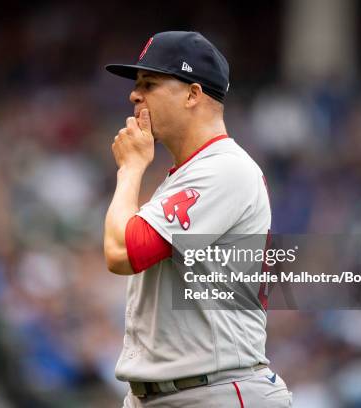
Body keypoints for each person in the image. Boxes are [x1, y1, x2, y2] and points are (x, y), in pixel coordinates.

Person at [103, 31, 292, 407]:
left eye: (150, 83)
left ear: (192, 94)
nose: (134, 95)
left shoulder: (224, 169)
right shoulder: (190, 173)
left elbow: (123, 252)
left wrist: (130, 170)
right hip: (173, 392)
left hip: (213, 392)